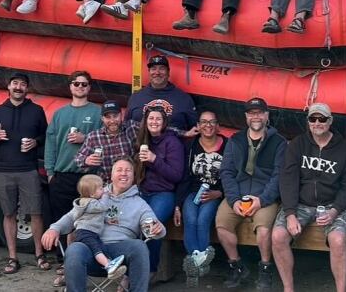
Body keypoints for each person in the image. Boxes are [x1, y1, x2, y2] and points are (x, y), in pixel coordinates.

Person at [42, 157, 165, 292]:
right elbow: (71, 216)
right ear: (111, 175)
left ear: (133, 176)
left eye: (128, 170)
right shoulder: (96, 194)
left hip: (120, 255)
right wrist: (54, 229)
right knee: (75, 249)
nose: (124, 173)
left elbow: (152, 224)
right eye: (119, 170)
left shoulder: (140, 204)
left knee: (140, 246)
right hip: (90, 250)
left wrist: (157, 229)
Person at [272, 103, 346, 292]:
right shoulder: (297, 144)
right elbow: (288, 180)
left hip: (333, 205)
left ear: (330, 121)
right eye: (313, 119)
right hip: (301, 204)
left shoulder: (344, 148)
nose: (317, 123)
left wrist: (335, 211)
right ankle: (288, 288)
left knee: (338, 239)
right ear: (308, 121)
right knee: (278, 236)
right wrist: (290, 213)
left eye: (322, 119)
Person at [216, 97, 286, 290]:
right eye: (251, 113)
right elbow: (227, 171)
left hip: (264, 196)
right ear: (246, 117)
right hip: (237, 194)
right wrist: (234, 199)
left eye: (259, 113)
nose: (256, 117)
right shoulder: (235, 140)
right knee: (222, 226)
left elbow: (279, 175)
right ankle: (237, 266)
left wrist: (262, 200)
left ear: (266, 115)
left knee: (263, 231)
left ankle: (265, 269)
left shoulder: (279, 142)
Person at [0, 72, 49, 274]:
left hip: (28, 170)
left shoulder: (37, 111)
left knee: (36, 213)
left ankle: (39, 253)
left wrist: (35, 142)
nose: (18, 87)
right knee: (9, 213)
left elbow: (45, 137)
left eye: (22, 84)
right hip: (3, 170)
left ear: (27, 88)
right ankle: (12, 257)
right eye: (15, 83)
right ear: (9, 87)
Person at [173, 110, 226, 287]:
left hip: (215, 193)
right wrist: (178, 204)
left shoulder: (227, 145)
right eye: (203, 122)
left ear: (218, 126)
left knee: (203, 219)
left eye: (212, 122)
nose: (208, 125)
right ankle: (199, 263)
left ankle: (194, 268)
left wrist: (220, 193)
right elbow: (184, 176)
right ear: (198, 126)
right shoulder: (191, 146)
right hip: (192, 192)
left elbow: (233, 175)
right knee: (190, 218)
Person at [45, 71, 103, 226]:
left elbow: (105, 141)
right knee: (61, 221)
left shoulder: (98, 112)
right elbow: (50, 144)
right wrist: (50, 173)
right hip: (62, 176)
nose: (80, 87)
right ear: (70, 87)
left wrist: (85, 138)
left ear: (89, 88)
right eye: (76, 83)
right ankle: (62, 251)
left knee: (86, 221)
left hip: (87, 176)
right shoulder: (59, 114)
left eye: (84, 84)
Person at [134, 105, 185, 282]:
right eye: (151, 118)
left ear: (164, 123)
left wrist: (154, 160)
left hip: (164, 193)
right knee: (129, 222)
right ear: (145, 121)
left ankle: (150, 269)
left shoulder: (172, 143)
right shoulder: (142, 139)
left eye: (158, 119)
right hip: (142, 191)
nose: (154, 122)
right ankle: (129, 271)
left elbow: (176, 175)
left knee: (151, 225)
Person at [57, 174, 127, 280]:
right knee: (96, 249)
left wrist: (108, 220)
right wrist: (106, 196)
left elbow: (94, 217)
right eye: (100, 188)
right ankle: (109, 266)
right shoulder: (89, 202)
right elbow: (102, 207)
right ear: (92, 194)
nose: (103, 190)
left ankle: (111, 265)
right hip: (85, 232)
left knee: (101, 247)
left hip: (91, 232)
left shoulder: (91, 203)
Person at [126, 55, 198, 136]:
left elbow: (194, 129)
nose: (157, 72)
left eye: (162, 68)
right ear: (149, 72)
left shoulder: (184, 99)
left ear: (168, 72)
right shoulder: (136, 97)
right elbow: (127, 125)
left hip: (172, 147)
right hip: (140, 147)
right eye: (153, 69)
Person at [75, 100, 138, 181]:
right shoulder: (94, 137)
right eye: (108, 117)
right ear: (102, 118)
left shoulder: (131, 127)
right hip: (106, 185)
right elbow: (78, 158)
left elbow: (149, 127)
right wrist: (86, 160)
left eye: (115, 116)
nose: (112, 121)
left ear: (121, 115)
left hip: (130, 184)